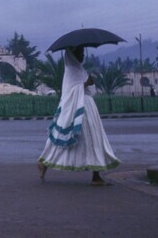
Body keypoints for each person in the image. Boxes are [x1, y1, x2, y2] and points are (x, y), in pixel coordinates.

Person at [37, 46, 119, 185]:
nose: (82, 55)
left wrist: (88, 83)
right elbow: (71, 90)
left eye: (82, 52)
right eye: (79, 52)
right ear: (72, 54)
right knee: (68, 142)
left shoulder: (81, 70)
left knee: (94, 139)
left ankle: (96, 176)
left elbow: (89, 90)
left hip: (88, 108)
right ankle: (44, 163)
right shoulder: (71, 71)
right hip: (77, 108)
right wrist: (85, 83)